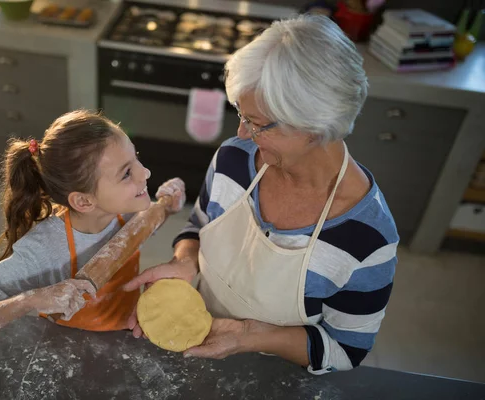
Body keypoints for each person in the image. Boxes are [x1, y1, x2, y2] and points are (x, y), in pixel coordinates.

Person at [124, 15, 398, 375]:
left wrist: (248, 335)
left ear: (313, 127)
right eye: (242, 114)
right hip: (198, 351)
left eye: (257, 123)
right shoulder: (233, 159)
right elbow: (197, 227)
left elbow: (345, 349)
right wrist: (185, 262)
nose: (241, 131)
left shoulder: (369, 237)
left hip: (274, 378)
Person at [0, 110, 185, 354]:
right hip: (66, 351)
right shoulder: (44, 250)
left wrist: (167, 209)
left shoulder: (127, 211)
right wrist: (32, 299)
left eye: (136, 158)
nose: (145, 173)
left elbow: (140, 230)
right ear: (84, 201)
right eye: (126, 173)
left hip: (126, 336)